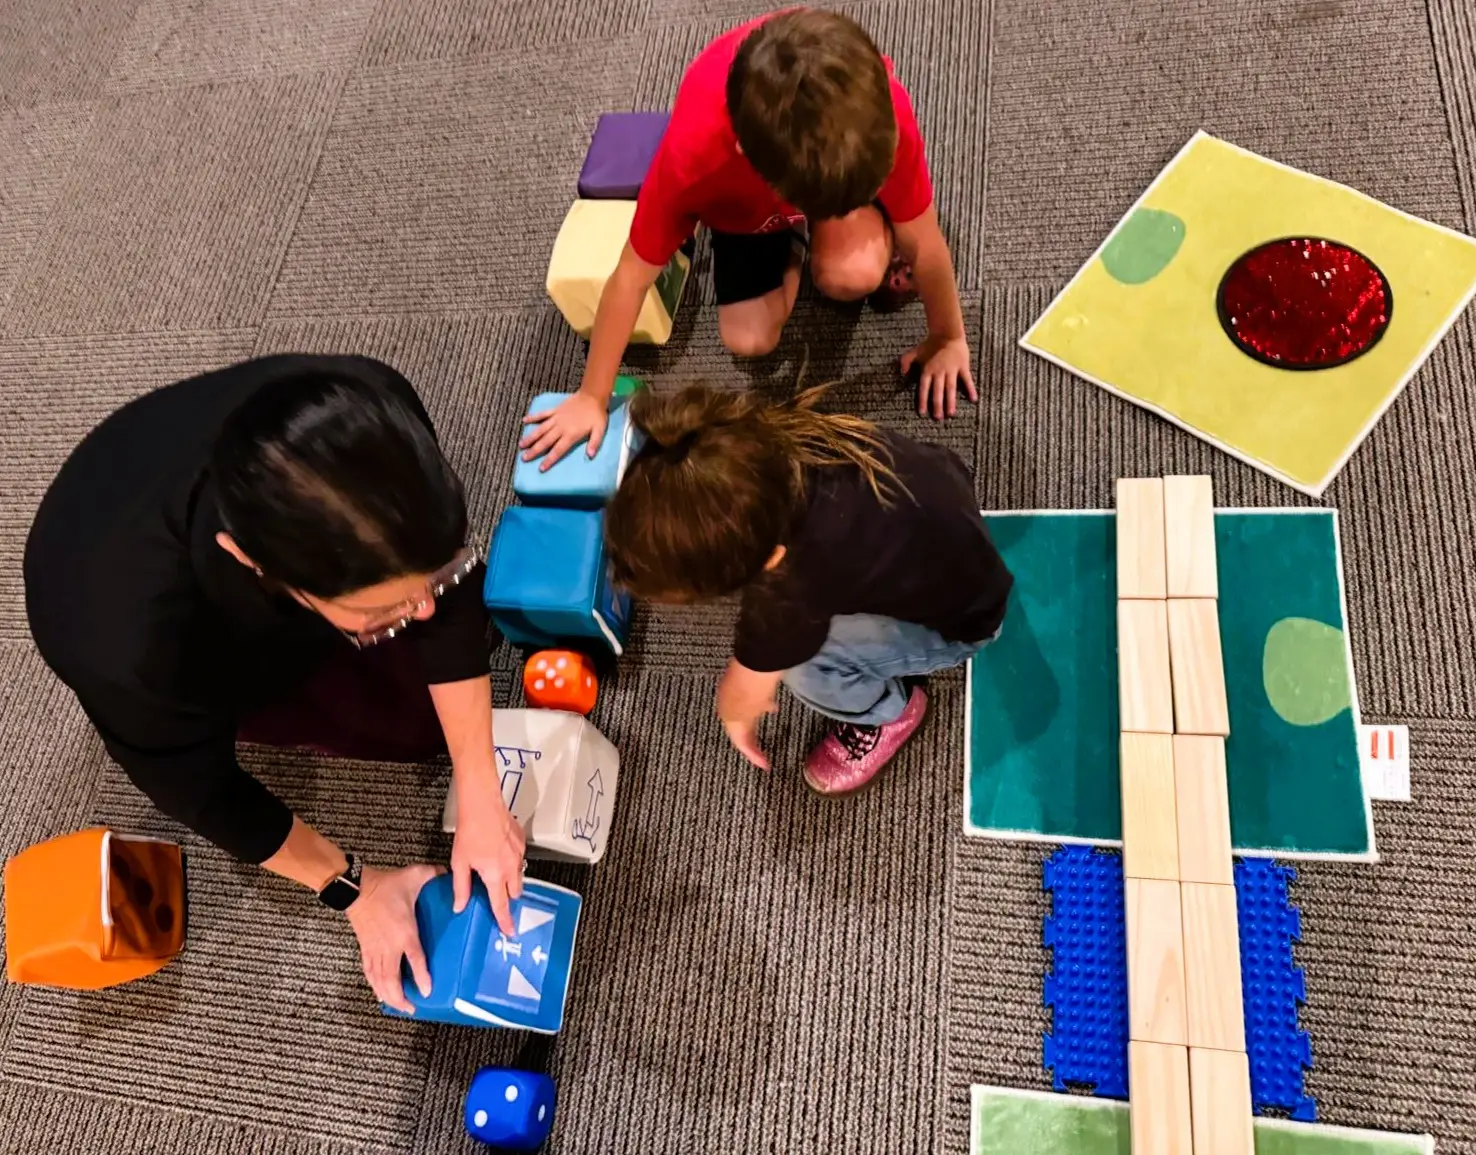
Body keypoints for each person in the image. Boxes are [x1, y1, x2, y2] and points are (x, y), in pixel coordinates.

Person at [23, 355, 526, 1013]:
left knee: (454, 657)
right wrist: (357, 889)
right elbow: (207, 794)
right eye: (381, 610)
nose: (424, 610)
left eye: (428, 580)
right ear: (251, 561)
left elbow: (447, 596)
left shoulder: (370, 404)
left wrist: (482, 790)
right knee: (412, 727)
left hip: (166, 481)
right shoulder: (140, 649)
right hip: (142, 609)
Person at [522, 7, 975, 473]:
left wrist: (947, 337)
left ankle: (834, 220)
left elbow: (923, 241)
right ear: (749, 158)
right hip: (746, 210)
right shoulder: (693, 160)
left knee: (852, 276)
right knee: (748, 339)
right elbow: (629, 279)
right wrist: (591, 396)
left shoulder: (878, 114)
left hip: (812, 169)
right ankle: (796, 241)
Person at [603, 383, 1012, 793]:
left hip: (966, 621)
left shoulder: (793, 591)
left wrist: (734, 714)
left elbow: (743, 691)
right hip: (943, 503)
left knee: (803, 668)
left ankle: (890, 712)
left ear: (769, 560)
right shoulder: (773, 440)